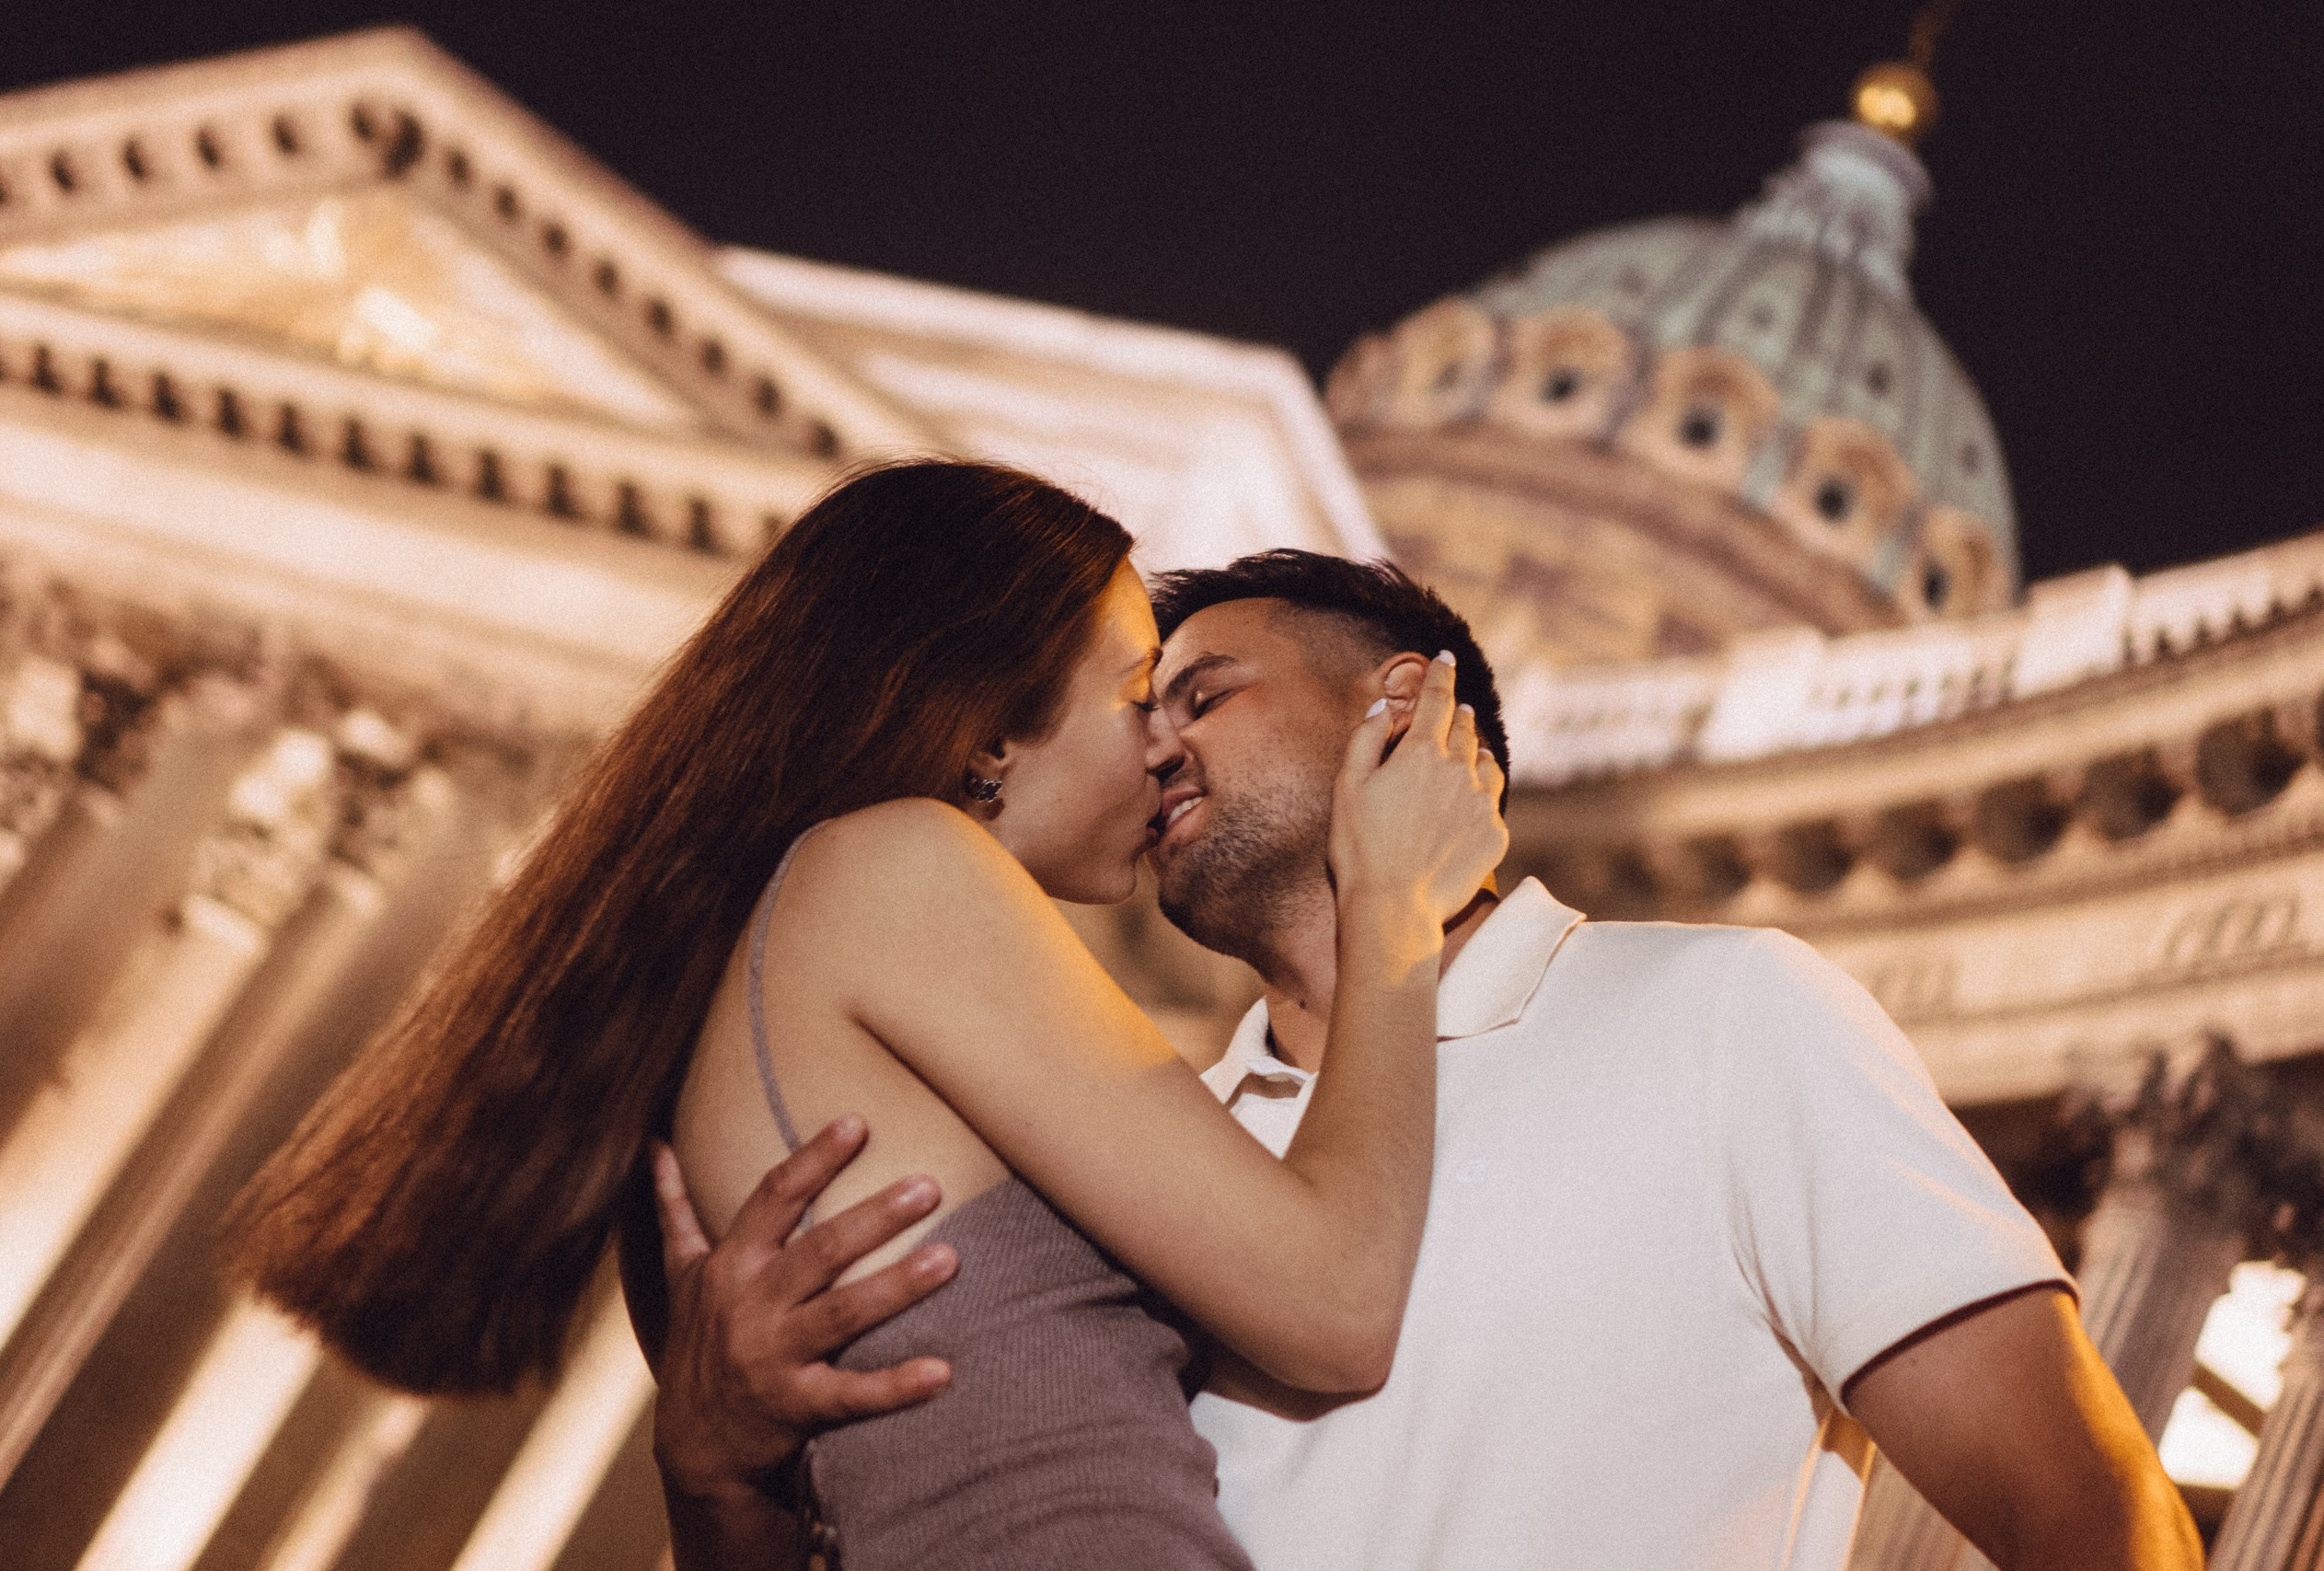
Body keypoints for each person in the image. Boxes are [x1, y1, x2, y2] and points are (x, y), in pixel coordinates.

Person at [647, 549, 2203, 1569]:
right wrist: (718, 1480)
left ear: (1405, 708)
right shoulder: (1133, 1154)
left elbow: (2095, 1523)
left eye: (1203, 694)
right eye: (1138, 711)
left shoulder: (1726, 1019)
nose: (1156, 746)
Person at [227, 463, 1508, 1570]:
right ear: (999, 723)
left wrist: (711, 1475)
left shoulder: (785, 953)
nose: (1166, 748)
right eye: (1138, 698)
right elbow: (1336, 1309)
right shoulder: (897, 869)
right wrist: (1389, 900)